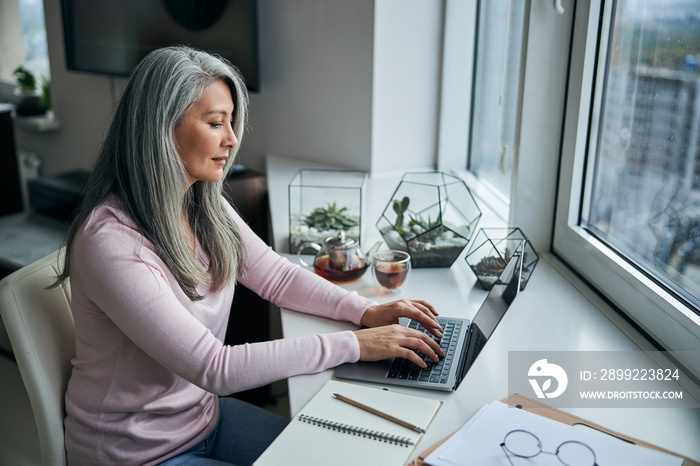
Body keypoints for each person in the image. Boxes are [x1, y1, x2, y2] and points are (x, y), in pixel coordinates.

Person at [55, 45, 444, 466]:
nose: (232, 139)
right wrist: (356, 344)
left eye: (232, 122)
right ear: (160, 129)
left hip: (204, 420)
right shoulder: (110, 243)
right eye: (215, 123)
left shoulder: (200, 202)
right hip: (135, 453)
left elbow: (276, 277)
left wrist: (366, 311)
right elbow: (215, 368)